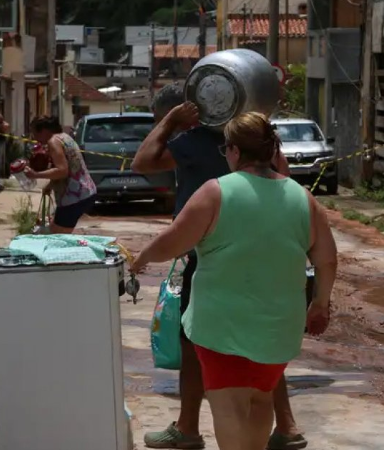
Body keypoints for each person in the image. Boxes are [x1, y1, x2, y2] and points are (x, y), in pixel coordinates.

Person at [130, 112, 337, 450]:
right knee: (260, 399)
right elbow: (327, 259)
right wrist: (320, 303)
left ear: (236, 152)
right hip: (279, 329)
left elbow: (173, 240)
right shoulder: (303, 198)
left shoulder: (216, 192)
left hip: (222, 327)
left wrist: (143, 258)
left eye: (226, 148)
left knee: (229, 405)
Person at [24, 116, 97, 234]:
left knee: (57, 237)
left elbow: (62, 170)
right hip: (85, 192)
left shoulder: (53, 142)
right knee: (57, 231)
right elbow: (69, 168)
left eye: (35, 134)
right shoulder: (65, 137)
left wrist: (35, 174)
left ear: (44, 131)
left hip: (73, 197)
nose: (35, 139)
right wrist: (50, 185)